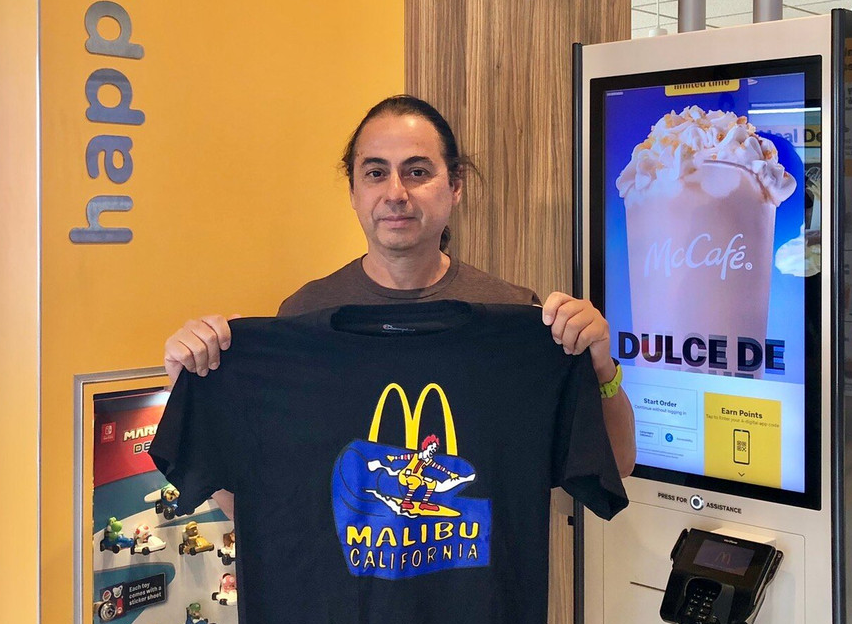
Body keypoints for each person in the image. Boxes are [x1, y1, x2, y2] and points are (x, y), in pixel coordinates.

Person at [163, 95, 637, 517]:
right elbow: (260, 510)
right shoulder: (303, 318)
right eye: (375, 173)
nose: (395, 193)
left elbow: (617, 464)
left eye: (417, 171)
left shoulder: (515, 318)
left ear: (455, 186)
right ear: (353, 192)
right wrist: (196, 383)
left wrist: (601, 370)